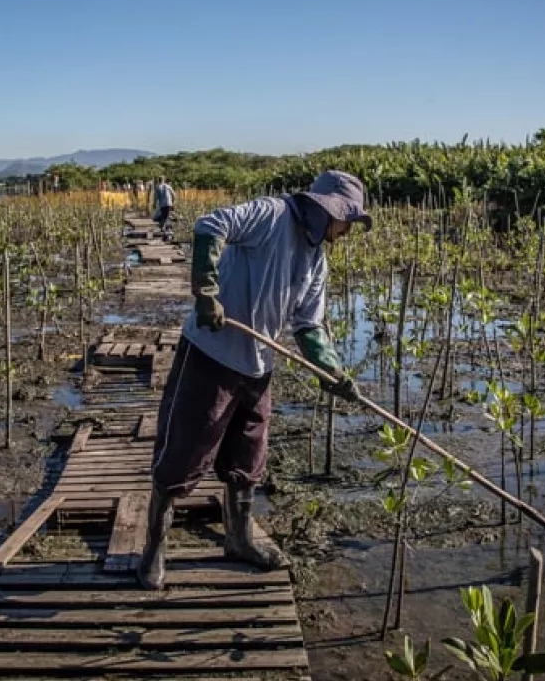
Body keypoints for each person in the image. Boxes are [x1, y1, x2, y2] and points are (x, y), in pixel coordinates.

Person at [137, 170, 371, 590]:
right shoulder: (271, 214)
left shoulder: (317, 258)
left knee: (247, 460)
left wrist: (331, 370)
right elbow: (211, 225)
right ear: (329, 210)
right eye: (348, 220)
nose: (349, 231)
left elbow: (308, 325)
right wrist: (206, 292)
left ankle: (239, 539)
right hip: (210, 355)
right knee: (182, 456)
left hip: (259, 369)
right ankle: (153, 549)